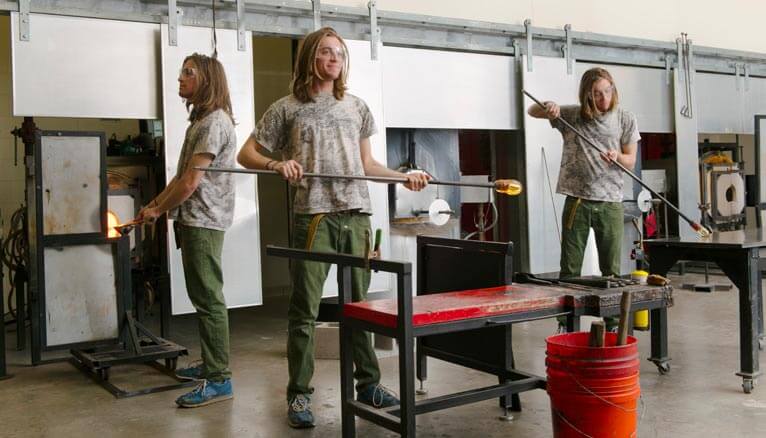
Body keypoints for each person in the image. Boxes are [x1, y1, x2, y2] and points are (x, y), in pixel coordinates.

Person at [237, 27, 429, 429]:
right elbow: (246, 153)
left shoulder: (356, 107)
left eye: (339, 53)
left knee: (361, 308)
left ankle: (369, 385)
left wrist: (404, 177)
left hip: (356, 215)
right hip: (315, 217)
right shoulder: (287, 108)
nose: (334, 59)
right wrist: (276, 164)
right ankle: (298, 395)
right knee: (304, 310)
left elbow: (368, 165)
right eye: (326, 52)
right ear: (310, 57)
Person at [137, 53, 236, 407]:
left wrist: (159, 209)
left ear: (207, 79)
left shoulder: (213, 123)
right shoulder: (200, 122)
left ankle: (219, 379)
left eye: (188, 72)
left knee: (208, 299)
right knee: (203, 296)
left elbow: (191, 183)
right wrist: (154, 206)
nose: (180, 78)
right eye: (182, 71)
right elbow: (181, 177)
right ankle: (212, 365)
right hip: (194, 219)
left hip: (204, 220)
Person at [528, 67, 639, 331]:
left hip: (610, 202)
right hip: (577, 201)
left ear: (613, 89)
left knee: (611, 270)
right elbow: (532, 110)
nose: (604, 98)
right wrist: (549, 107)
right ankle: (567, 325)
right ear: (587, 95)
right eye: (597, 94)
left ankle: (612, 325)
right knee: (570, 268)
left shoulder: (625, 118)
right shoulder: (574, 116)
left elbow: (631, 161)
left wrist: (617, 156)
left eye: (607, 91)